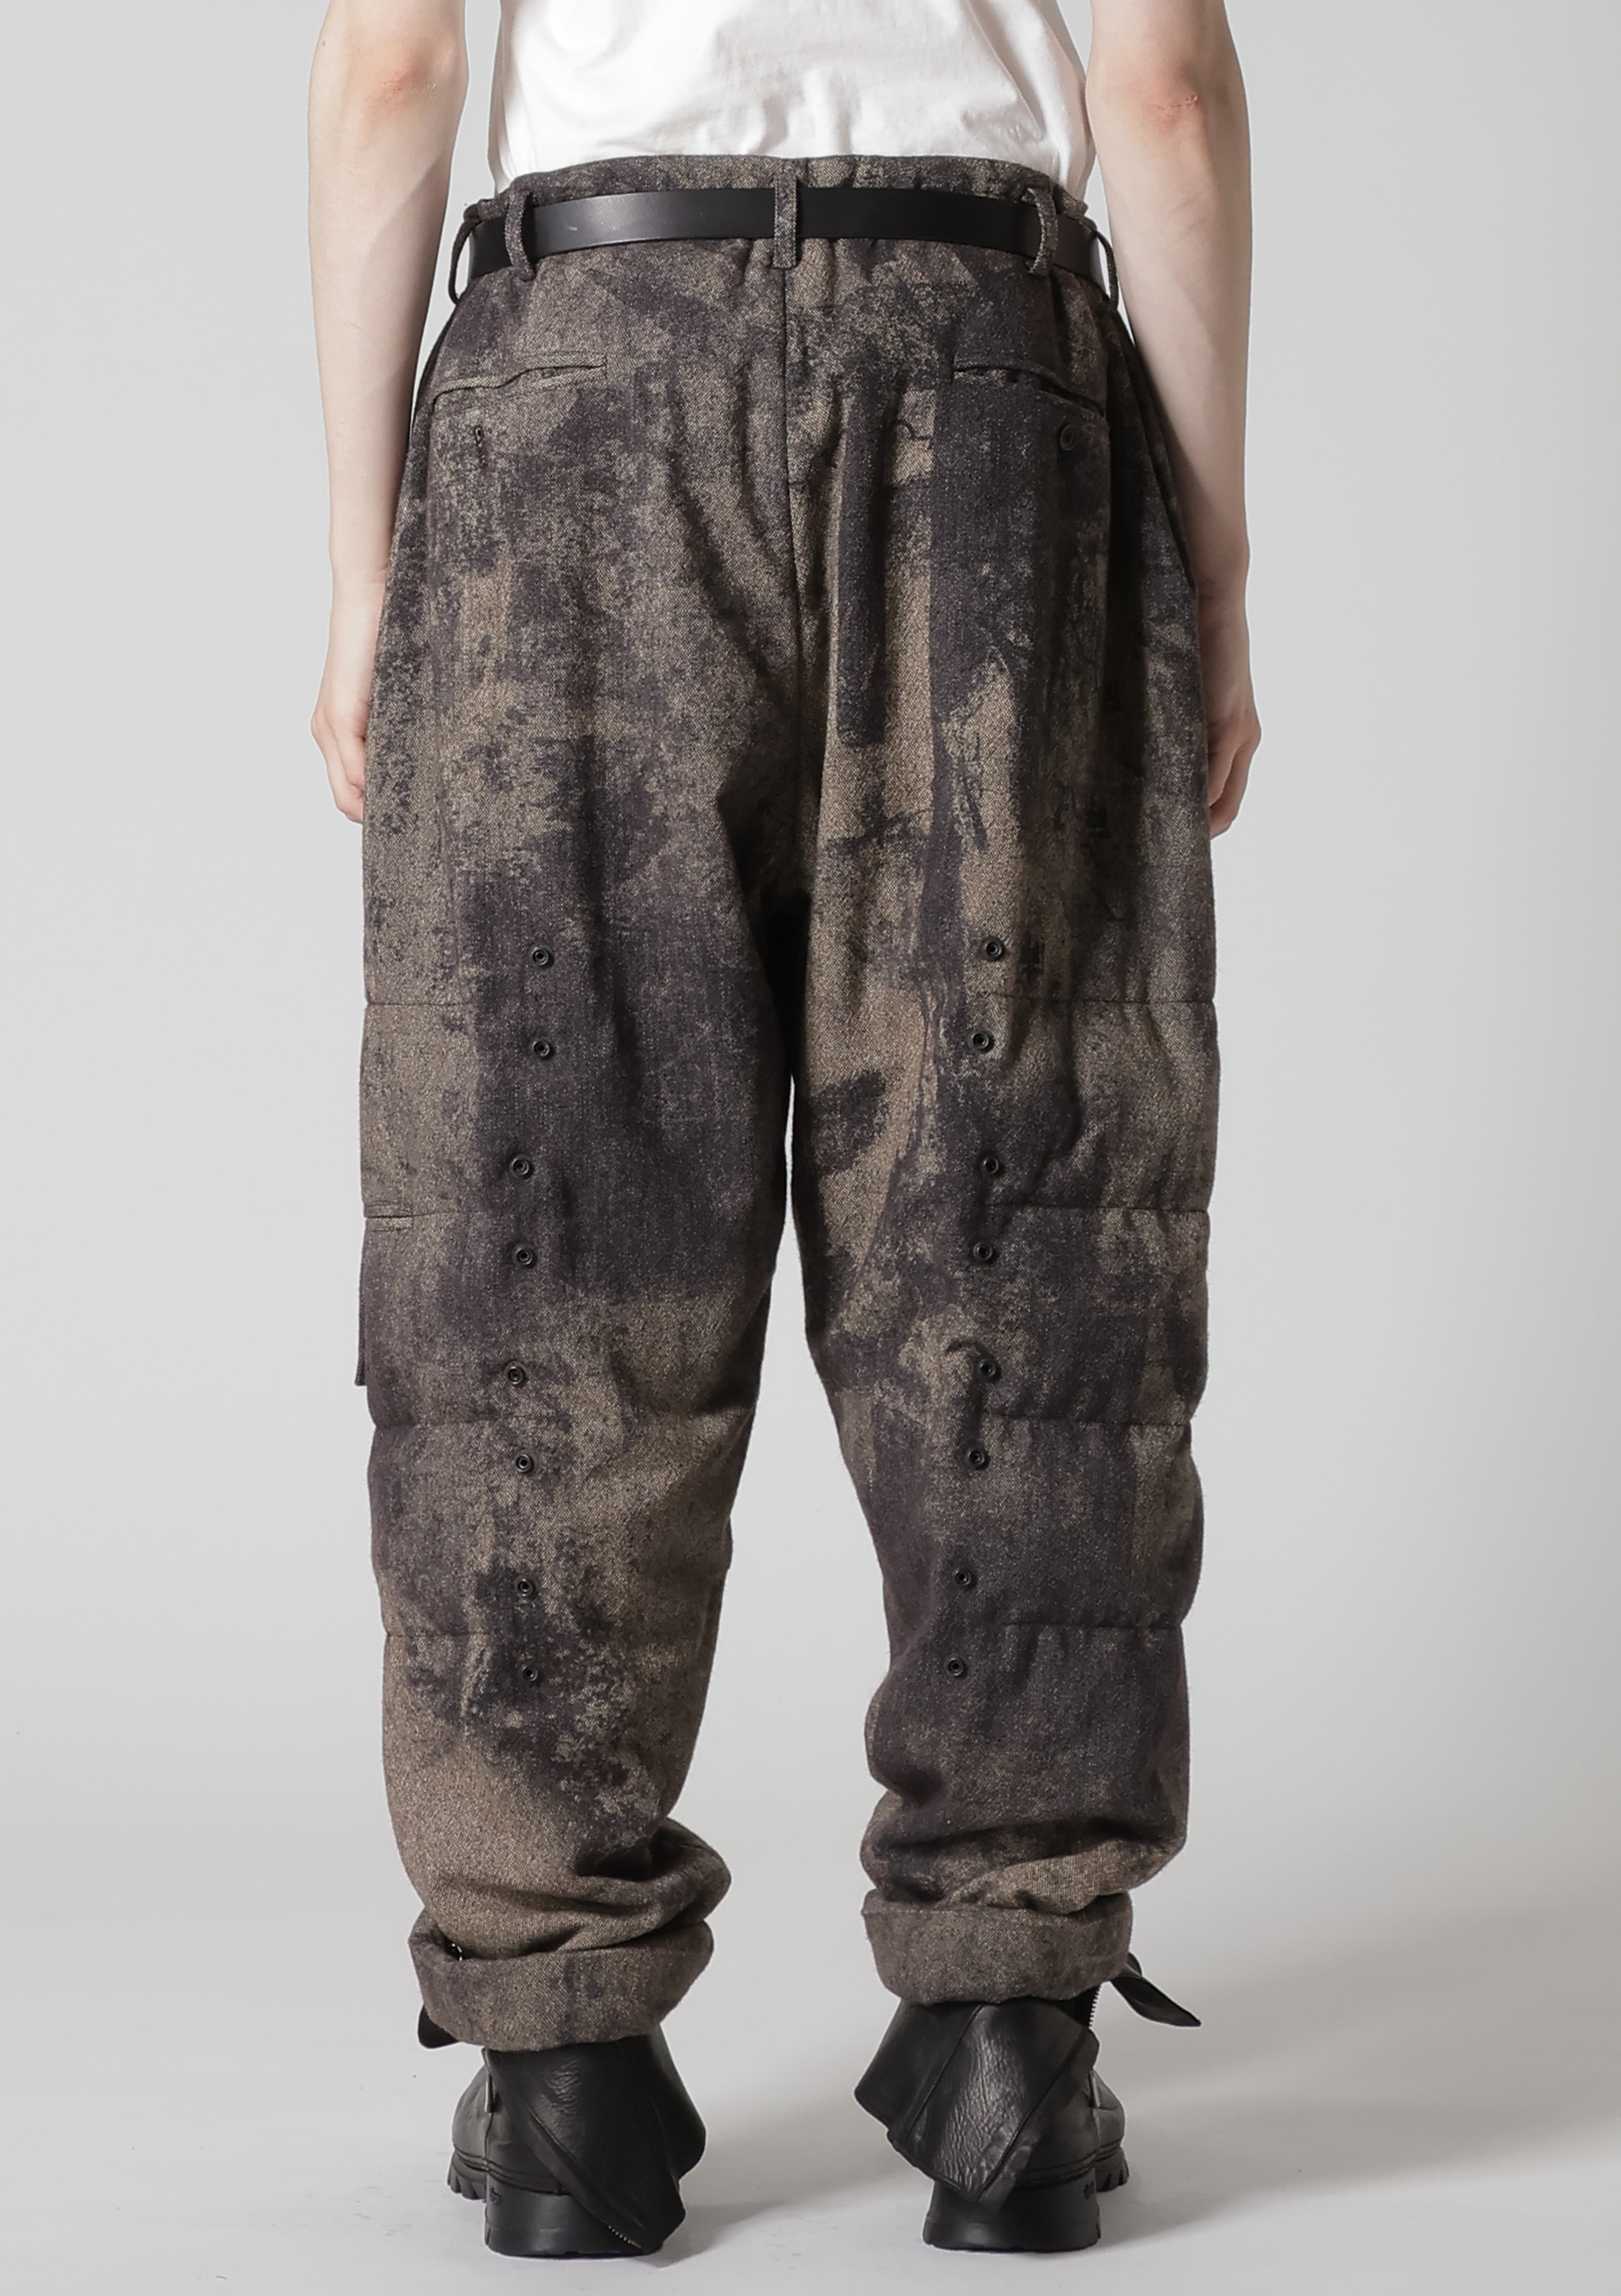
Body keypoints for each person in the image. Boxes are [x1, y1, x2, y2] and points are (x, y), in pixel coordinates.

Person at [310, 0, 1257, 2260]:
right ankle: (1012, 2027)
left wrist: (362, 574)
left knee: (543, 1224)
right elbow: (1158, 94)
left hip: (576, 375)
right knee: (1017, 1208)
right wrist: (1215, 574)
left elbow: (389, 74)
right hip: (986, 377)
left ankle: (562, 2060)